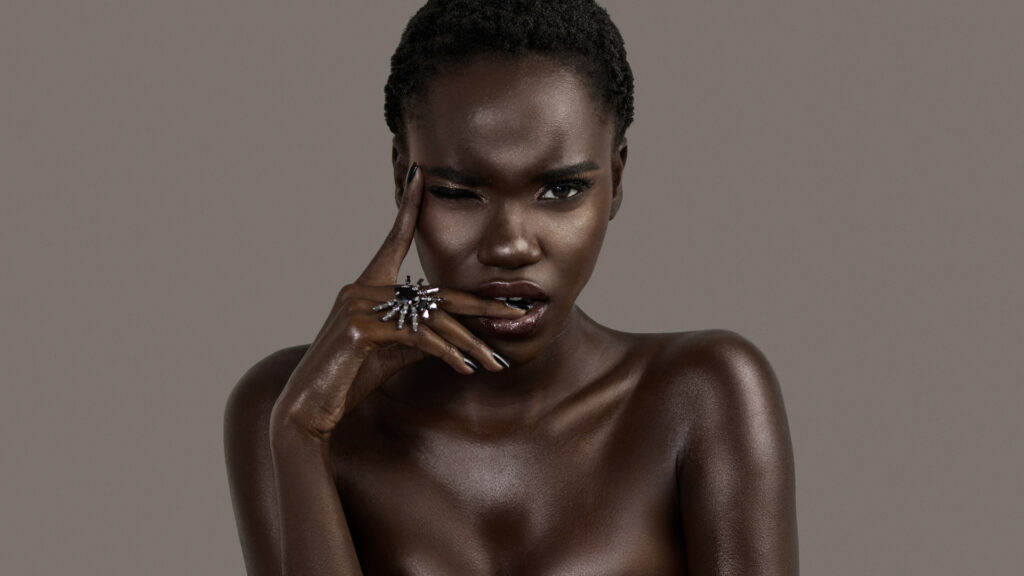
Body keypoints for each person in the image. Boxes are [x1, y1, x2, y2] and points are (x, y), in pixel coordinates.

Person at [224, 1, 798, 574]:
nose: (509, 245)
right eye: (457, 193)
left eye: (561, 190)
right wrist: (300, 435)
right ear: (405, 181)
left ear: (616, 182)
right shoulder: (289, 403)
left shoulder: (700, 395)